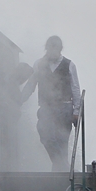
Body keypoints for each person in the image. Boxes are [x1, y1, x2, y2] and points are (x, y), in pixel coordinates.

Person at [19, 36, 82, 172]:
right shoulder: (39, 64)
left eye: (55, 48)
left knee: (61, 140)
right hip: (46, 107)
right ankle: (63, 166)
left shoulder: (69, 65)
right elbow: (31, 84)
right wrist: (20, 100)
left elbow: (75, 88)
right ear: (47, 49)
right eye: (50, 48)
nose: (52, 51)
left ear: (59, 49)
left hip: (65, 107)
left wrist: (76, 112)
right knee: (44, 133)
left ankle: (59, 173)